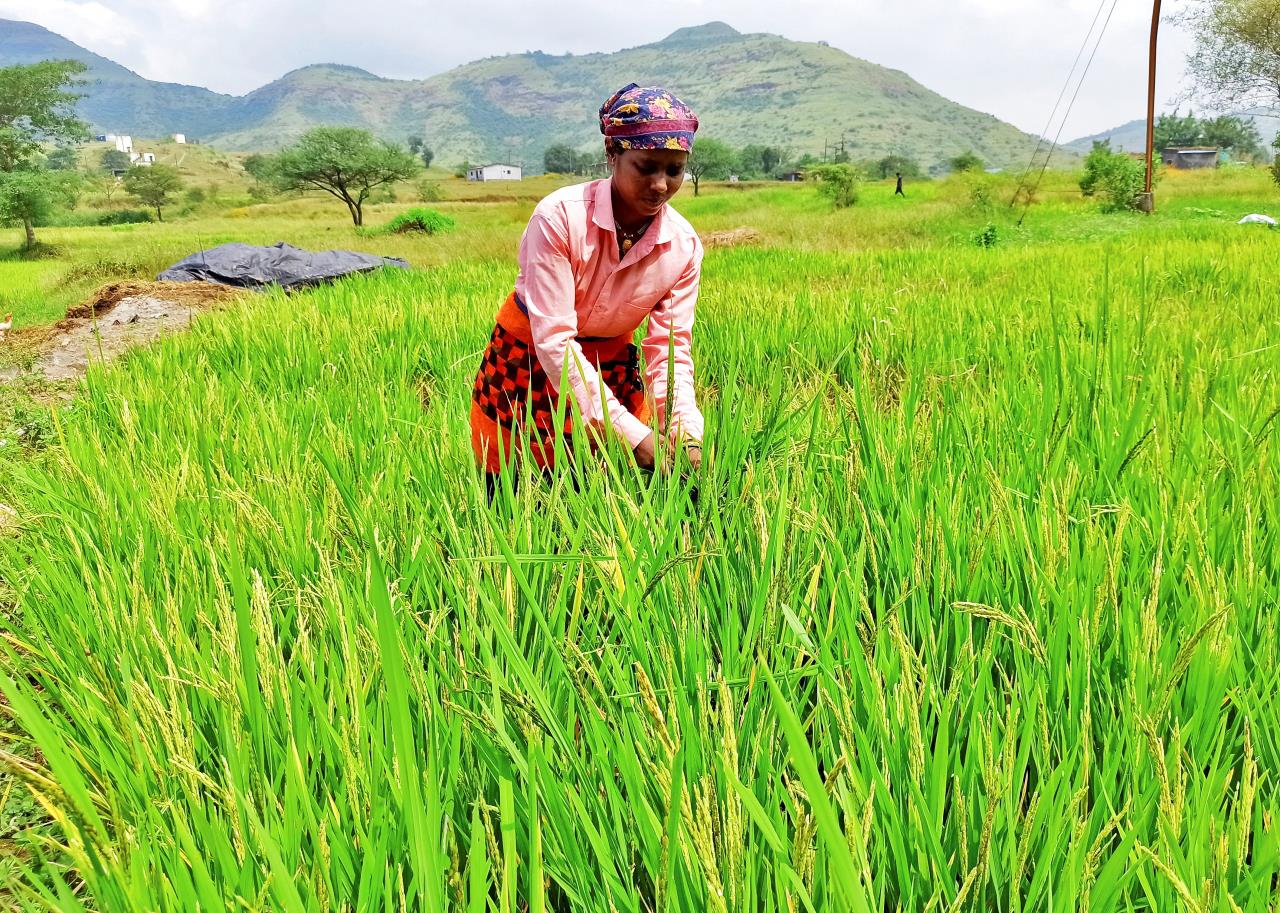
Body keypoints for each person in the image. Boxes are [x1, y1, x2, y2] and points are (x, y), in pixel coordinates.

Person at [470, 83, 705, 496]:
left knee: (602, 491)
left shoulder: (683, 246)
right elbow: (555, 341)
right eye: (646, 167)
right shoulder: (559, 218)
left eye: (674, 170)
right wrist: (632, 433)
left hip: (611, 366)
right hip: (527, 363)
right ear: (612, 155)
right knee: (512, 490)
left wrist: (684, 428)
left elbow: (670, 349)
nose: (661, 186)